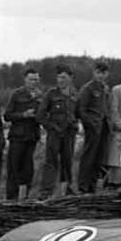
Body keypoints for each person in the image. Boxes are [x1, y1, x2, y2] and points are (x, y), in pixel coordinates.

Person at [37, 64, 78, 198]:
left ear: (70, 78)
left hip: (69, 134)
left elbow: (79, 112)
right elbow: (40, 116)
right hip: (54, 133)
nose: (60, 80)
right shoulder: (51, 94)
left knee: (67, 161)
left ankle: (66, 190)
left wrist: (76, 124)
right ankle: (46, 192)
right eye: (59, 77)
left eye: (64, 77)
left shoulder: (75, 94)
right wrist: (51, 127)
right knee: (51, 162)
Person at [3, 68, 43, 200]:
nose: (33, 82)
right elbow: (7, 115)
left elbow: (43, 114)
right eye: (31, 79)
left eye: (36, 79)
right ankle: (11, 198)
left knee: (28, 171)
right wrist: (23, 115)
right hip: (18, 137)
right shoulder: (17, 94)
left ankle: (24, 198)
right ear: (25, 79)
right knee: (14, 169)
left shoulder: (40, 95)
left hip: (32, 137)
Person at [75, 61, 110, 194]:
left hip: (104, 127)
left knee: (99, 158)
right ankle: (83, 187)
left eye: (104, 73)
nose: (101, 75)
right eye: (99, 72)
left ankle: (92, 185)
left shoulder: (105, 88)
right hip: (93, 127)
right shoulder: (88, 88)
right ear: (94, 72)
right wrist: (90, 124)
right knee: (88, 156)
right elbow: (81, 109)